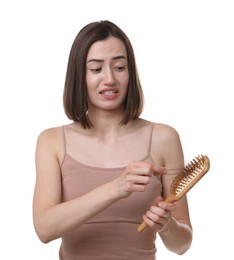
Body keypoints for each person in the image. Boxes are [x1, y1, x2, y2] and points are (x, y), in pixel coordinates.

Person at [33, 20, 193, 260]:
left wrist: (166, 225)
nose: (109, 79)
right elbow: (44, 228)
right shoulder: (52, 141)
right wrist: (116, 188)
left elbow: (182, 245)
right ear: (79, 75)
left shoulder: (163, 138)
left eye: (119, 67)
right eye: (96, 69)